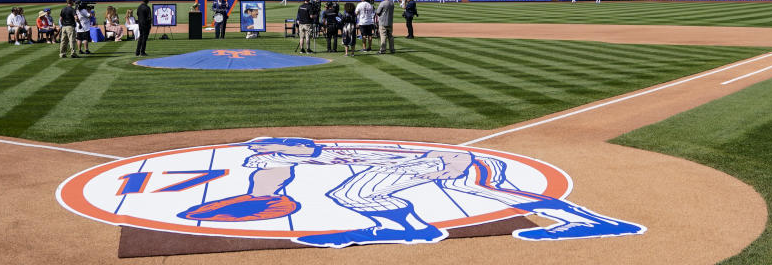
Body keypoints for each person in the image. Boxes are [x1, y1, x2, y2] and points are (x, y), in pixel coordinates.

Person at [176, 137, 644, 248]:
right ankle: (406, 226)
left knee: (357, 194)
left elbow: (276, 168)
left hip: (435, 161)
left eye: (270, 147)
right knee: (500, 195)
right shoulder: (284, 156)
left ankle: (406, 227)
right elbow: (270, 178)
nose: (263, 150)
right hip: (430, 164)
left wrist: (269, 187)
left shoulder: (309, 150)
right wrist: (260, 196)